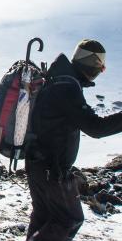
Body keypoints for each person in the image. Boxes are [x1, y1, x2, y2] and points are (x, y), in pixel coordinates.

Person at [25, 39, 122, 241]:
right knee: (69, 219)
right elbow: (95, 127)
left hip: (38, 163)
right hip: (52, 169)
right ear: (90, 63)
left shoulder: (58, 78)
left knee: (45, 216)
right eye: (100, 66)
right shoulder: (67, 87)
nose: (102, 70)